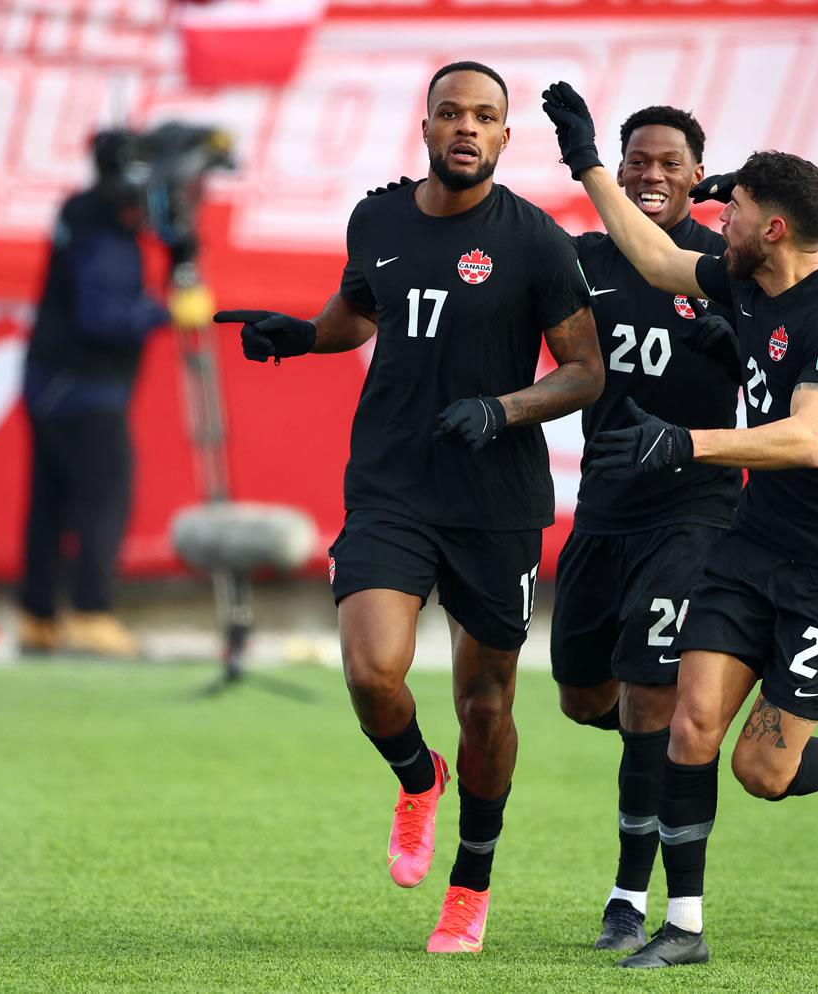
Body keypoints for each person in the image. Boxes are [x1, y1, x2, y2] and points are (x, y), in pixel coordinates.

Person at [215, 62, 603, 955]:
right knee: (372, 672)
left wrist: (502, 410)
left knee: (485, 706)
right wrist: (305, 335)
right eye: (451, 113)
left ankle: (469, 886)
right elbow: (360, 311)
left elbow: (587, 372)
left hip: (496, 501)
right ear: (424, 125)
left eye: (486, 117)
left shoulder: (540, 242)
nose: (467, 127)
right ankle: (415, 777)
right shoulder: (377, 218)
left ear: (507, 138)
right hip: (391, 483)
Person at [542, 81, 818, 969]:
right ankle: (684, 929)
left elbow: (810, 440)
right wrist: (588, 163)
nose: (714, 219)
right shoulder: (742, 288)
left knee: (760, 772)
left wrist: (684, 443)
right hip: (749, 551)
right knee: (688, 727)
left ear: (771, 228)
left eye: (728, 208)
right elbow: (656, 260)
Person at [549, 105, 741, 952]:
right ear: (618, 172)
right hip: (603, 509)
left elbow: (788, 357)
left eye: (670, 162)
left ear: (699, 174)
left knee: (649, 703)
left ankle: (628, 897)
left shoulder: (726, 267)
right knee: (585, 696)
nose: (652, 175)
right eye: (637, 162)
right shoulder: (581, 261)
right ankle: (663, 731)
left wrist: (743, 343)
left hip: (693, 510)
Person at [17, 130, 171, 658]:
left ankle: (38, 615)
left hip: (50, 381)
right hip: (83, 387)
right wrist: (166, 309)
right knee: (105, 498)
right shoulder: (105, 231)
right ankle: (90, 612)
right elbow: (103, 318)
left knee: (50, 500)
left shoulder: (79, 212)